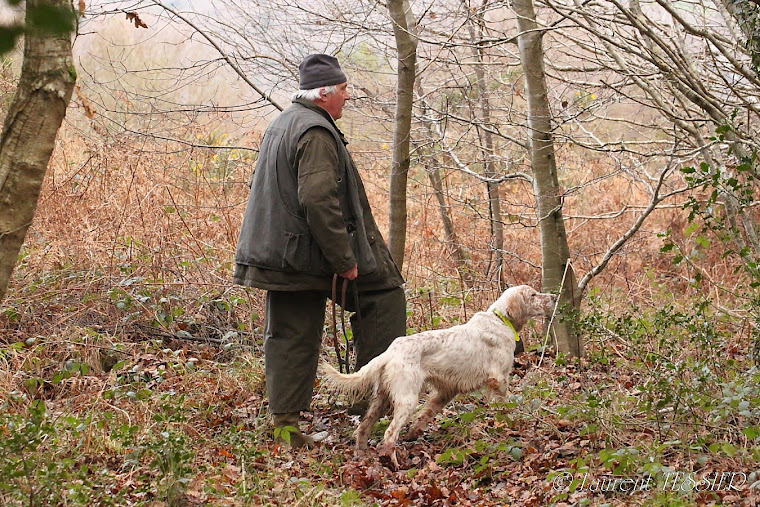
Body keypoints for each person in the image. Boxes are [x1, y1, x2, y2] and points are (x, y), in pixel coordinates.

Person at [233, 54, 406, 448]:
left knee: (288, 334)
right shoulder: (314, 132)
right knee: (383, 297)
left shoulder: (284, 122)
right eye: (344, 90)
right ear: (325, 94)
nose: (348, 96)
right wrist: (345, 261)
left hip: (281, 253)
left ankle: (286, 425)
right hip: (300, 256)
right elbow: (317, 200)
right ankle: (369, 406)